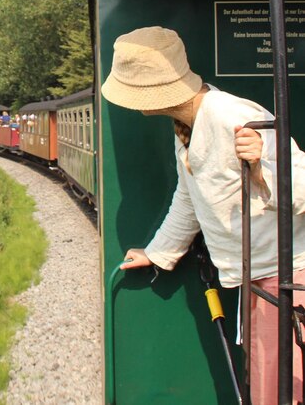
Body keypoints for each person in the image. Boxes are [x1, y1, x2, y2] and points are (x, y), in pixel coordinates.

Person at [101, 26, 305, 404]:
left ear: (150, 93)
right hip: (260, 279)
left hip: (286, 279)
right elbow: (189, 198)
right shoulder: (187, 125)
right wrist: (158, 252)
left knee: (279, 393)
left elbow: (303, 186)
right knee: (265, 388)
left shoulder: (234, 116)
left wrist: (261, 169)